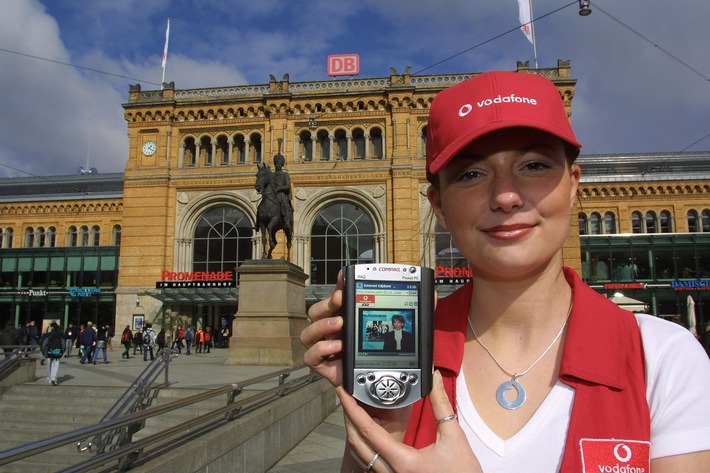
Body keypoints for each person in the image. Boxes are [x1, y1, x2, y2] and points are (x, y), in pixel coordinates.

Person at [301, 71, 710, 472]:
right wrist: (382, 430)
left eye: (533, 165)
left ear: (573, 184)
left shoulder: (662, 360)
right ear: (439, 205)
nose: (506, 196)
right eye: (471, 174)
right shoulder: (408, 353)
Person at [272, 153, 293, 232]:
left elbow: (287, 186)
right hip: (273, 194)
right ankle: (258, 223)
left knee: (284, 204)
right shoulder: (272, 175)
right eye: (276, 163)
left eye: (279, 164)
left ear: (282, 165)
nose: (278, 165)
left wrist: (279, 188)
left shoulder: (285, 175)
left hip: (281, 194)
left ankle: (287, 221)